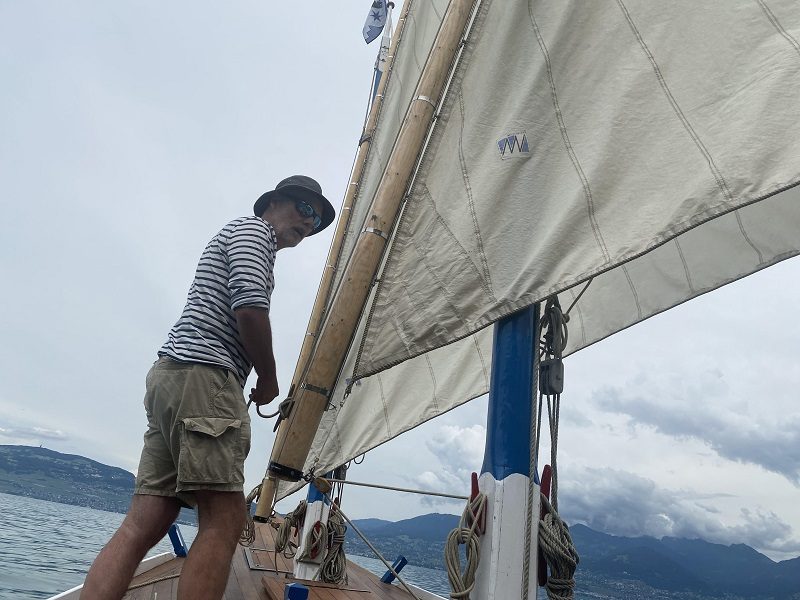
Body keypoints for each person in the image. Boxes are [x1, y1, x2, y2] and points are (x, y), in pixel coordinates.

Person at [81, 175, 335, 600]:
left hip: (171, 377)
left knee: (147, 518)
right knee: (223, 519)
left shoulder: (240, 236)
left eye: (316, 220)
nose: (308, 224)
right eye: (304, 209)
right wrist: (269, 378)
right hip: (205, 378)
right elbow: (250, 307)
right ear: (274, 202)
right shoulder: (255, 232)